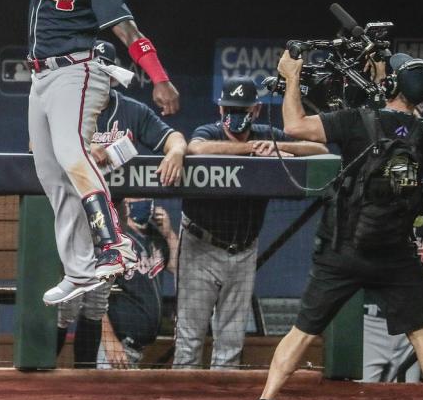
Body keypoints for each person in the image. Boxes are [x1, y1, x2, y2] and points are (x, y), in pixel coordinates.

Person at [0, 0, 181, 307]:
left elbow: (128, 31)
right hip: (43, 76)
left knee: (74, 157)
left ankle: (113, 245)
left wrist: (158, 79)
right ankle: (79, 270)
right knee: (53, 176)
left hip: (77, 70)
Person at [247, 51, 423, 400]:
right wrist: (388, 79)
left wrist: (291, 77)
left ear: (389, 84)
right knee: (422, 335)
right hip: (394, 253)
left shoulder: (357, 120)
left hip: (343, 247)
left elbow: (295, 126)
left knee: (303, 331)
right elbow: (405, 121)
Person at [174, 76, 328, 370]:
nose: (235, 115)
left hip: (243, 249)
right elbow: (197, 149)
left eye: (242, 109)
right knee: (189, 342)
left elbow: (320, 149)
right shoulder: (210, 131)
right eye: (229, 108)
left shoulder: (265, 133)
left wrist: (281, 148)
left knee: (231, 345)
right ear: (220, 110)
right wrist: (251, 151)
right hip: (200, 246)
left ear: (255, 110)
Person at [55, 41, 186, 366]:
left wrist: (177, 151)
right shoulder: (63, 108)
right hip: (70, 219)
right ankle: (38, 373)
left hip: (110, 224)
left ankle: (84, 376)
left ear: (112, 77)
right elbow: (35, 151)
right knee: (63, 311)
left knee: (92, 307)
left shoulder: (131, 111)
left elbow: (174, 137)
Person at [362, 214, 423, 382]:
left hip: (411, 324)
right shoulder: (375, 215)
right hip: (373, 323)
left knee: (408, 393)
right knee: (363, 391)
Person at [100, 200, 179, 368]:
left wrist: (168, 233)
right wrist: (110, 341)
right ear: (125, 202)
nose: (143, 200)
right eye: (136, 196)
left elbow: (178, 267)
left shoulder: (154, 235)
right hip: (116, 348)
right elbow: (94, 294)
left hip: (137, 350)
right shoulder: (115, 240)